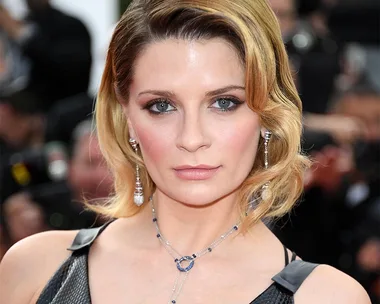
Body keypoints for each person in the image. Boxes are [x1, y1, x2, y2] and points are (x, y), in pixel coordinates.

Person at [0, 1, 370, 303]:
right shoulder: (35, 268)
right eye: (162, 106)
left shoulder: (326, 297)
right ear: (127, 117)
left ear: (266, 114)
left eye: (224, 103)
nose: (192, 138)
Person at [0, 0, 92, 111]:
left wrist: (22, 35)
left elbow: (68, 70)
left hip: (58, 110)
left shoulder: (71, 26)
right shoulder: (25, 23)